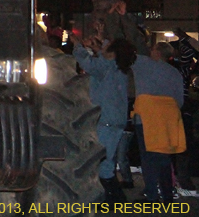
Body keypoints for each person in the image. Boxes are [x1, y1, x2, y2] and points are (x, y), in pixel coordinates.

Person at [73, 35, 137, 203]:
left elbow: (87, 62)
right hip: (117, 120)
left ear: (112, 53)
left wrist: (77, 45)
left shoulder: (106, 67)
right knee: (108, 160)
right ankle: (113, 198)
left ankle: (110, 197)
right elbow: (104, 57)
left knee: (101, 160)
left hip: (105, 120)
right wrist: (100, 44)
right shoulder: (120, 68)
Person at [131, 41, 186, 203]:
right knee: (163, 158)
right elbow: (179, 101)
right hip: (167, 120)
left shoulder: (142, 64)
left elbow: (125, 51)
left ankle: (151, 194)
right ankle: (167, 194)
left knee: (148, 157)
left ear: (156, 52)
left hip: (146, 117)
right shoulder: (175, 73)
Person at [171, 27, 199, 195]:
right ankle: (182, 178)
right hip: (184, 107)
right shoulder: (178, 68)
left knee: (184, 144)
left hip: (184, 107)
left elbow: (189, 54)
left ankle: (183, 179)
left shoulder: (180, 68)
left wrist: (183, 39)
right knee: (184, 144)